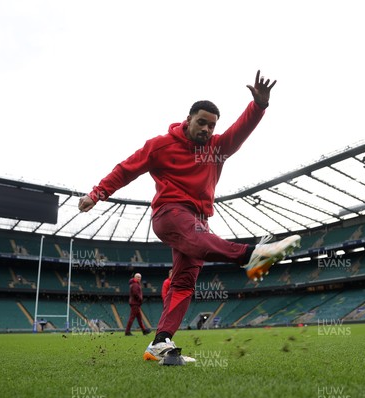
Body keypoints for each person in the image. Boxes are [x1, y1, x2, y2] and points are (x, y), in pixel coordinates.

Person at [78, 70, 301, 364]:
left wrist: (258, 106)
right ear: (188, 119)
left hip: (199, 222)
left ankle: (160, 343)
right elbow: (126, 169)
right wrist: (97, 193)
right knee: (198, 238)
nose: (207, 129)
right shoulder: (160, 146)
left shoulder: (217, 148)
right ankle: (253, 255)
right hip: (170, 213)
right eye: (202, 122)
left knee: (183, 285)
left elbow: (240, 130)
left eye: (212, 125)